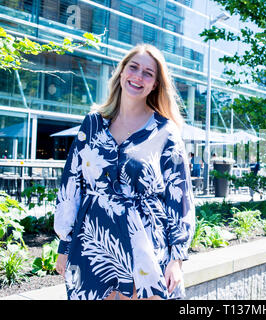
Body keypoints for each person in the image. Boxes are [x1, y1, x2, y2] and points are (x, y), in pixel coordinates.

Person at [53, 44, 195, 300]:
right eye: (133, 67)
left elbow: (180, 197)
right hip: (94, 241)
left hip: (145, 241)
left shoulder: (166, 132)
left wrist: (177, 260)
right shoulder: (93, 123)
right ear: (121, 72)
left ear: (155, 84)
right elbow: (72, 184)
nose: (138, 76)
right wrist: (65, 244)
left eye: (148, 73)